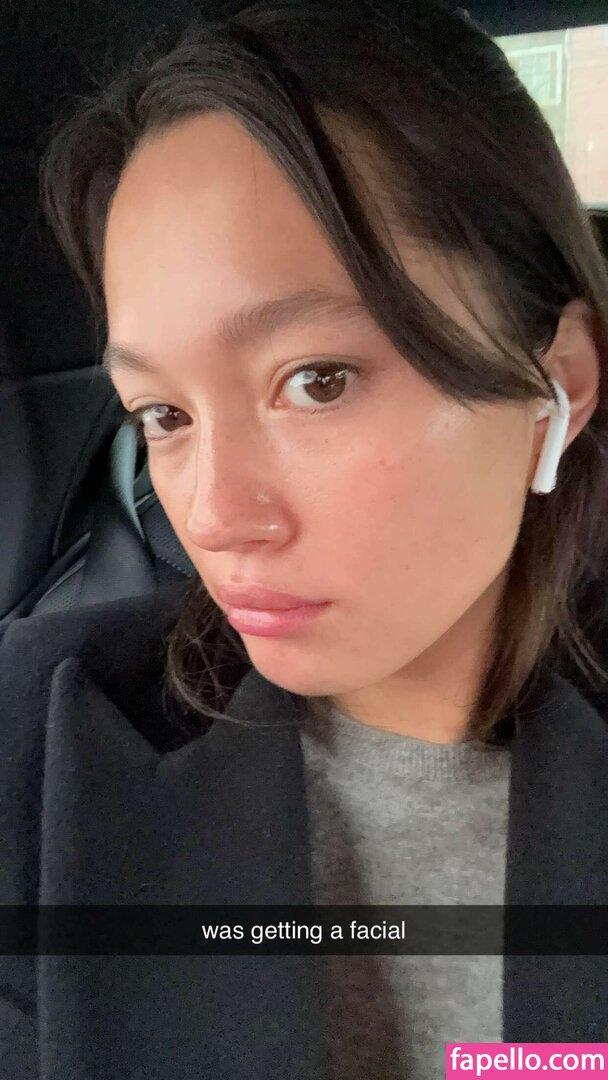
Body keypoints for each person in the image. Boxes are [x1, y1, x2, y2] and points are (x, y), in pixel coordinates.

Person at [1, 0, 608, 1076]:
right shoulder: (38, 737)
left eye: (316, 381)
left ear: (553, 382)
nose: (215, 518)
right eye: (164, 415)